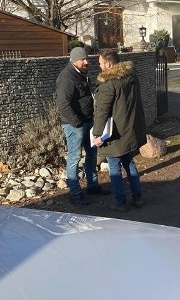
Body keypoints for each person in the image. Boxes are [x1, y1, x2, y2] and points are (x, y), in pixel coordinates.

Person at [92, 49, 146, 212]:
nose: (99, 66)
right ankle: (138, 197)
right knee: (129, 162)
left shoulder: (109, 84)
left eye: (100, 63)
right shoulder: (131, 77)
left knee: (114, 166)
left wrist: (97, 134)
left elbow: (102, 111)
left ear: (108, 64)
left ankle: (120, 202)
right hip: (129, 130)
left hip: (114, 134)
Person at [56, 46, 109, 206]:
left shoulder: (81, 74)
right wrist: (77, 123)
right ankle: (75, 192)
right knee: (74, 158)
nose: (86, 62)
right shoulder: (66, 78)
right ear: (74, 61)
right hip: (75, 125)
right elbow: (63, 105)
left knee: (92, 154)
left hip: (87, 121)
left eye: (86, 59)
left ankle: (92, 186)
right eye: (83, 59)